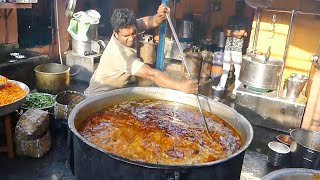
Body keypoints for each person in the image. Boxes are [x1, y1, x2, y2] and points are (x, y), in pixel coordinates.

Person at [84, 4, 198, 97]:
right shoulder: (120, 55)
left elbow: (148, 22)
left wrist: (159, 16)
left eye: (133, 33)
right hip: (99, 96)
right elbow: (151, 74)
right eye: (126, 36)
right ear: (115, 34)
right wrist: (182, 86)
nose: (131, 38)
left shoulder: (130, 27)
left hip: (117, 91)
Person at [216, 2, 248, 97]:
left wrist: (235, 33)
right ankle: (226, 88)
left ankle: (226, 88)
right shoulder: (236, 19)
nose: (238, 8)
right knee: (230, 69)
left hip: (233, 48)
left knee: (235, 69)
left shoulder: (238, 19)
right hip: (231, 47)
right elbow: (229, 33)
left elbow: (234, 33)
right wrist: (239, 34)